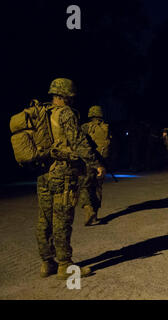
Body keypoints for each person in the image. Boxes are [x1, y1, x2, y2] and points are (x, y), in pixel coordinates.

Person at [36, 78, 105, 279]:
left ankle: (47, 262)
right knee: (62, 219)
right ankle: (64, 265)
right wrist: (96, 164)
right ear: (68, 95)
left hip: (43, 173)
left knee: (44, 219)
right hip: (63, 173)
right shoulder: (65, 113)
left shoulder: (43, 112)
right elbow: (78, 142)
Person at [79, 105, 111, 226]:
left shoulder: (85, 127)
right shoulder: (106, 128)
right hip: (102, 162)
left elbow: (79, 144)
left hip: (88, 161)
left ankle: (88, 210)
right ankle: (95, 216)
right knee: (97, 188)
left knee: (84, 187)